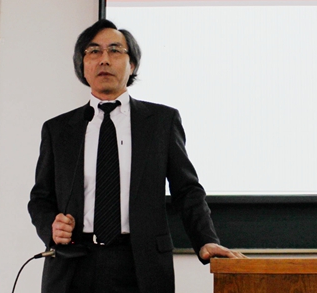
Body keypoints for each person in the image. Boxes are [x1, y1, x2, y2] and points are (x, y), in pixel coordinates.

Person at [28, 19, 244, 293]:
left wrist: (205, 240)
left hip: (140, 265)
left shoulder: (160, 122)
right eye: (94, 51)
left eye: (115, 50)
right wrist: (51, 227)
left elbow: (187, 190)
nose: (104, 59)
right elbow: (40, 198)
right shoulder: (59, 129)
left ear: (132, 65)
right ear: (82, 66)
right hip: (73, 265)